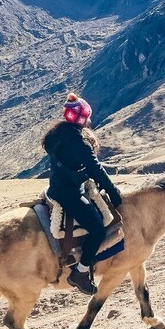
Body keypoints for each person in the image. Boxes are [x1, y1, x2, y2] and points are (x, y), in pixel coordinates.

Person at [42, 93, 123, 295]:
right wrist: (113, 194)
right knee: (97, 230)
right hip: (69, 194)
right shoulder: (79, 142)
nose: (88, 121)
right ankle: (80, 271)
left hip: (55, 188)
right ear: (80, 118)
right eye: (86, 117)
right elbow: (97, 170)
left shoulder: (57, 134)